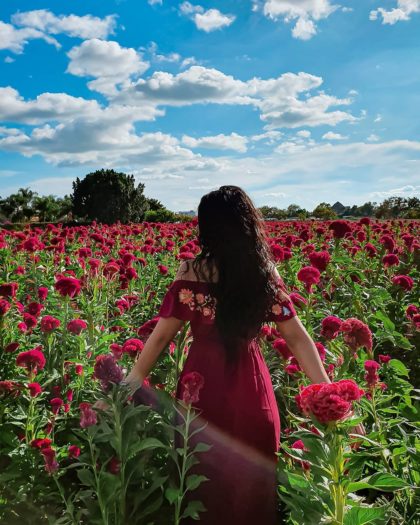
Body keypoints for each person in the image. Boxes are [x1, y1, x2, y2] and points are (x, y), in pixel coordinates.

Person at [97, 185, 365, 523]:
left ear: (207, 228)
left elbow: (163, 336)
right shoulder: (264, 274)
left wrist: (128, 384)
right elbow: (297, 339)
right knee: (251, 486)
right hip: (252, 389)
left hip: (201, 387)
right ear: (247, 224)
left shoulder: (192, 271)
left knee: (201, 481)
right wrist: (329, 394)